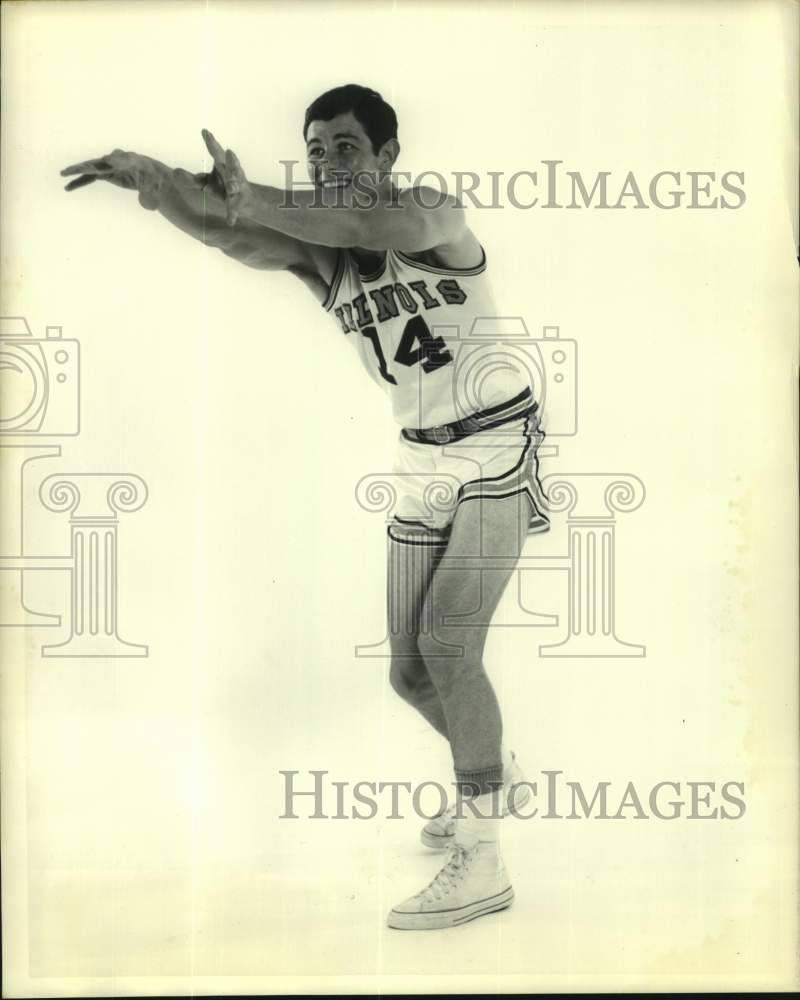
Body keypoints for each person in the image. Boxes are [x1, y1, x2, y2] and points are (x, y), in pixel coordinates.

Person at [61, 83, 550, 931]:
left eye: (347, 148)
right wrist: (154, 180)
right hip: (420, 457)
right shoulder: (316, 256)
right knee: (409, 672)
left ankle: (485, 855)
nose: (328, 162)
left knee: (448, 645)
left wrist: (254, 197)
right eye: (316, 149)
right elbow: (230, 231)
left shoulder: (433, 214)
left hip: (499, 444)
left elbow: (361, 226)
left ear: (389, 156)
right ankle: (491, 768)